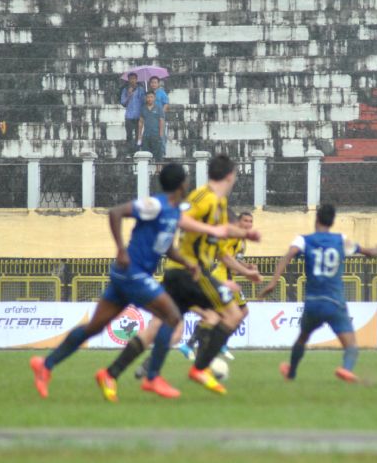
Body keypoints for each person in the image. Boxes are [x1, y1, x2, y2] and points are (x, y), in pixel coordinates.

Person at [29, 163, 231, 401]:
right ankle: (152, 377)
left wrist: (186, 262)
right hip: (132, 272)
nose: (188, 184)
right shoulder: (155, 204)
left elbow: (165, 246)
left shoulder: (175, 211)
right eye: (186, 180)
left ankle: (46, 365)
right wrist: (121, 249)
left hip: (127, 276)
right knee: (172, 316)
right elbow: (115, 212)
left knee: (94, 327)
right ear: (181, 185)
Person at [100, 154, 260, 396]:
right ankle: (200, 368)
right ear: (230, 176)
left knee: (163, 327)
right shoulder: (203, 197)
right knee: (233, 314)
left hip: (186, 272)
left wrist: (245, 247)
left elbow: (219, 250)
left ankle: (112, 373)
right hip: (190, 272)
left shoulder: (219, 204)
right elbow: (180, 218)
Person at [258, 204, 377, 383]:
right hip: (335, 302)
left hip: (313, 302)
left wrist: (272, 282)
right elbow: (367, 252)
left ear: (316, 218)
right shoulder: (341, 240)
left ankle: (291, 372)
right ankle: (346, 369)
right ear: (332, 222)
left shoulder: (303, 240)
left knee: (302, 339)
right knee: (351, 346)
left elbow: (287, 256)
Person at [178, 210, 258, 361]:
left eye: (250, 221)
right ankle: (194, 344)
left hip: (228, 277)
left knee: (239, 312)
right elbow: (225, 257)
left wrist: (246, 266)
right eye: (245, 221)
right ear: (238, 222)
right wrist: (246, 271)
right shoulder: (233, 237)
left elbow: (234, 258)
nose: (248, 224)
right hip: (222, 277)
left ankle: (215, 343)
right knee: (219, 314)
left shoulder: (242, 240)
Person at [120, 72, 145, 155]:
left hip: (139, 116)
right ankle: (130, 152)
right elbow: (123, 103)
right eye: (131, 79)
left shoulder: (141, 90)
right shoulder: (125, 90)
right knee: (129, 135)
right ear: (128, 80)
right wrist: (129, 95)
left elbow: (144, 102)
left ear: (136, 79)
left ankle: (137, 151)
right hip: (129, 116)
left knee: (138, 135)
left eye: (134, 78)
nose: (132, 80)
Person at [138, 91, 164, 161]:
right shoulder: (143, 108)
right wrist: (139, 135)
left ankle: (158, 168)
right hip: (146, 135)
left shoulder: (159, 108)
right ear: (146, 98)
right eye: (148, 97)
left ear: (154, 98)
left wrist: (161, 134)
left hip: (156, 135)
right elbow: (140, 122)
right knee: (145, 156)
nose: (150, 99)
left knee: (158, 156)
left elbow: (161, 121)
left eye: (151, 97)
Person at [149, 77, 170, 156]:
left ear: (158, 84)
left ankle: (162, 152)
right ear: (150, 84)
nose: (153, 84)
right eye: (152, 82)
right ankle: (153, 152)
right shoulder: (149, 93)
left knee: (161, 135)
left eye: (155, 82)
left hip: (160, 118)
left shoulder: (161, 92)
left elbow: (166, 104)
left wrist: (161, 113)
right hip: (151, 118)